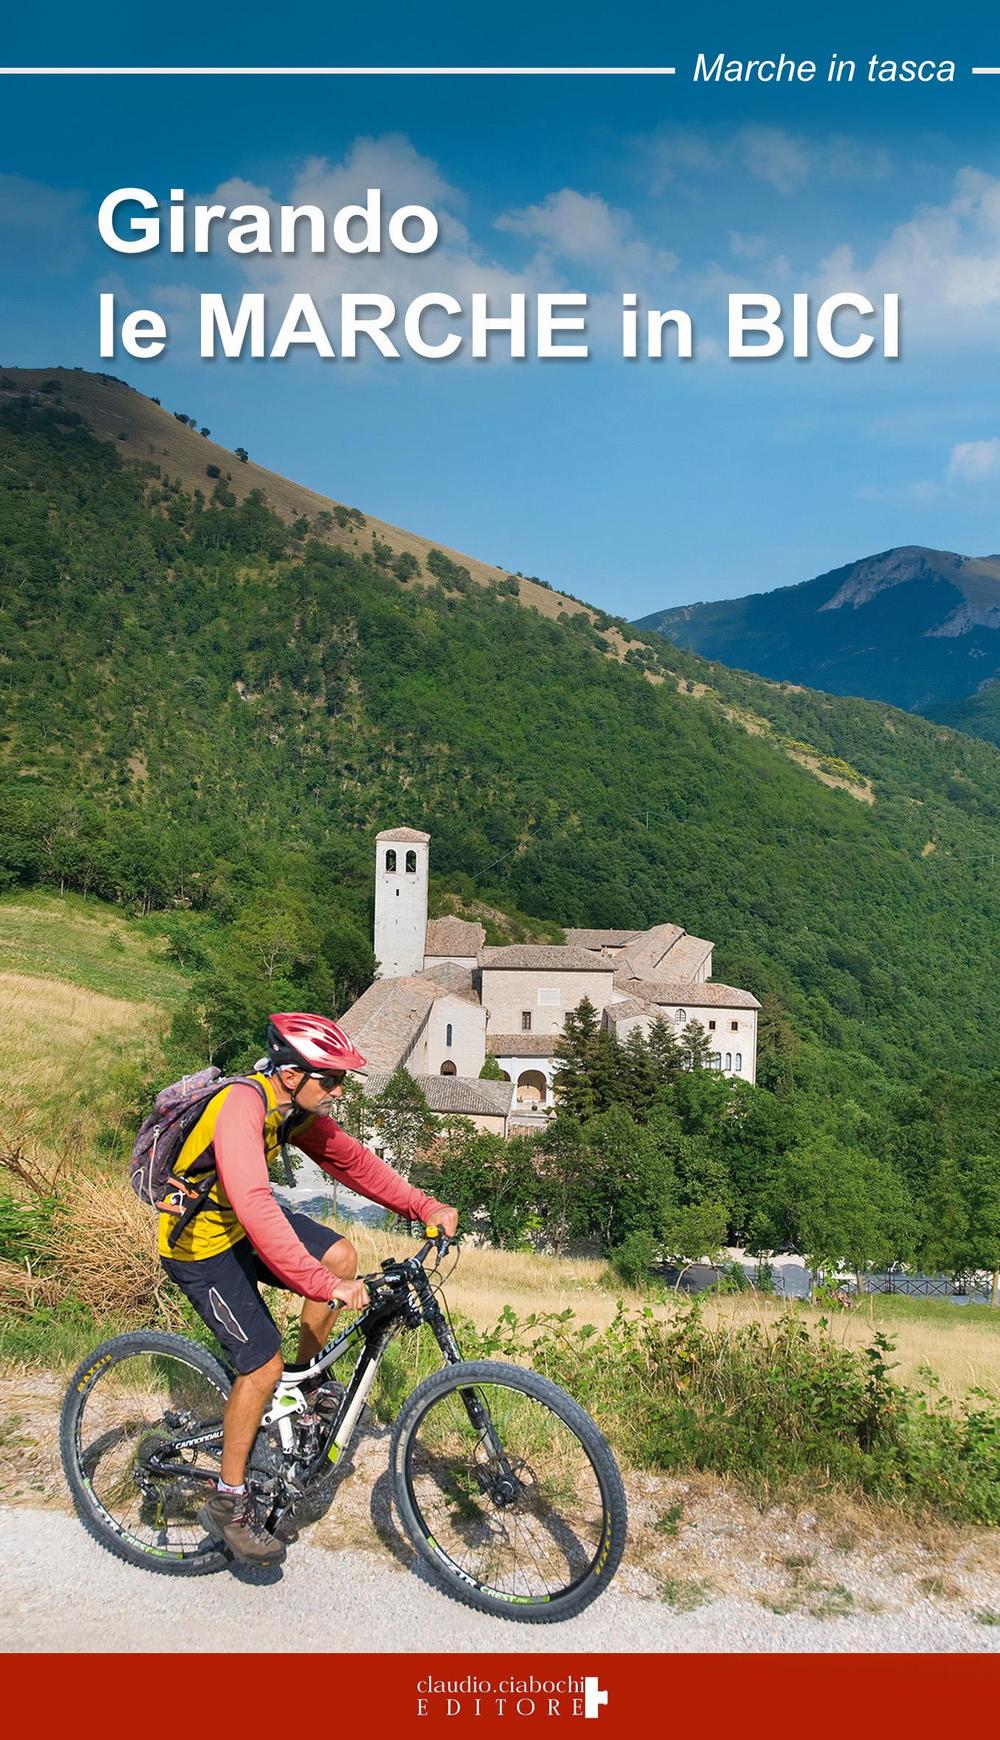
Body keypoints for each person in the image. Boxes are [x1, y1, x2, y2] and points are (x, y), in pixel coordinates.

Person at [158, 1010, 458, 1567]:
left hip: (239, 1225)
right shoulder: (241, 1106)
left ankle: (307, 1384)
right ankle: (229, 1503)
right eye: (332, 1079)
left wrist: (424, 1206)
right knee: (262, 1364)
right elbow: (255, 1200)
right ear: (292, 1073)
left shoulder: (294, 1109)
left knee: (341, 1252)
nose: (339, 1091)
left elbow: (355, 1164)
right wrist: (322, 1285)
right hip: (199, 1244)